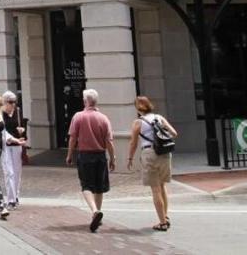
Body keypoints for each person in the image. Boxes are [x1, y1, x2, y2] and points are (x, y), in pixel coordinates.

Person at [66, 88, 116, 233]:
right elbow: (109, 142)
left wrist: (69, 155)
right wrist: (112, 158)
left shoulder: (78, 116)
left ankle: (94, 211)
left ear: (85, 101)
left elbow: (73, 138)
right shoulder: (103, 118)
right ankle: (98, 212)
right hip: (100, 155)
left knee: (86, 185)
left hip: (85, 155)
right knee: (99, 186)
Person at [126, 95, 178, 232]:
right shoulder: (159, 118)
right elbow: (174, 133)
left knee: (155, 188)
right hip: (165, 153)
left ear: (138, 108)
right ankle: (165, 217)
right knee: (162, 185)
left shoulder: (138, 122)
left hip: (149, 153)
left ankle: (162, 223)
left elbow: (133, 143)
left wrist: (130, 158)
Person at [0, 90, 28, 209]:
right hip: (6, 146)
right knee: (9, 172)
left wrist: (22, 130)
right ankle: (10, 200)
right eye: (10, 102)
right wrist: (12, 139)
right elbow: (2, 131)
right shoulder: (0, 114)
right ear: (4, 102)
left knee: (17, 172)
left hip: (17, 145)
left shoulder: (17, 111)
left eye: (14, 102)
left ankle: (16, 196)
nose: (13, 105)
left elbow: (21, 125)